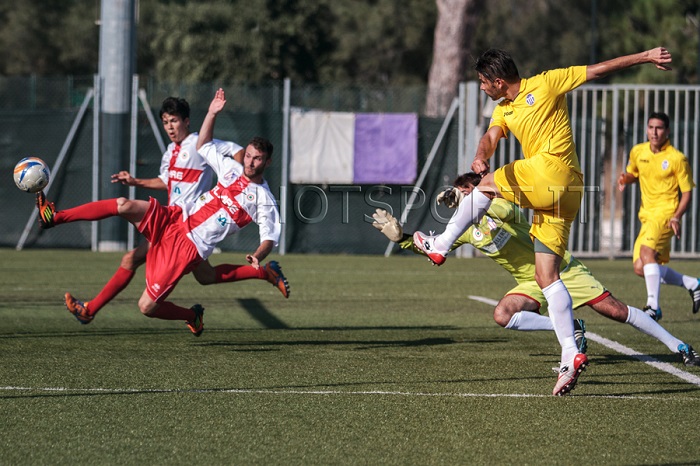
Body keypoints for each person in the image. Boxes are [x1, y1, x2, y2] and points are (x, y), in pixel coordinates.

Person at [411, 47, 673, 396]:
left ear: (498, 81)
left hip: (552, 172)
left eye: (482, 82)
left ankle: (440, 245)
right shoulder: (503, 108)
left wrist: (644, 57)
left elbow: (597, 70)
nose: (481, 87)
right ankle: (570, 354)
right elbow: (491, 137)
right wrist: (479, 156)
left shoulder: (547, 82)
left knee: (485, 188)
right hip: (568, 194)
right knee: (545, 275)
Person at [372, 172, 700, 379]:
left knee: (616, 310)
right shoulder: (465, 231)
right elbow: (433, 249)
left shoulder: (500, 207)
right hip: (531, 282)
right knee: (502, 314)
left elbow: (495, 206)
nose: (465, 202)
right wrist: (402, 237)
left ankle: (679, 344)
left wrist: (464, 197)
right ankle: (572, 325)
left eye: (468, 193)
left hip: (558, 268)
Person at [36, 89, 282, 337]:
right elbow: (168, 180)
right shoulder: (172, 152)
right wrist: (136, 182)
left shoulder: (255, 189)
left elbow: (234, 152)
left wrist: (243, 161)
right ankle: (54, 218)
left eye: (174, 120)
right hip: (173, 217)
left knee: (149, 298)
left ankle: (200, 308)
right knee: (124, 205)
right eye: (165, 122)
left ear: (186, 121)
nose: (170, 127)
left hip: (189, 243)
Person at [618, 111, 699, 320]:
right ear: (646, 129)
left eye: (659, 128)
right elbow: (634, 174)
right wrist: (626, 179)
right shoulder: (638, 151)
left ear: (667, 131)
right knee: (640, 267)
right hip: (646, 215)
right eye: (651, 127)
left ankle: (653, 306)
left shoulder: (677, 158)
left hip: (666, 213)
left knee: (647, 253)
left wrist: (676, 217)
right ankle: (693, 284)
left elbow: (687, 192)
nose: (654, 132)